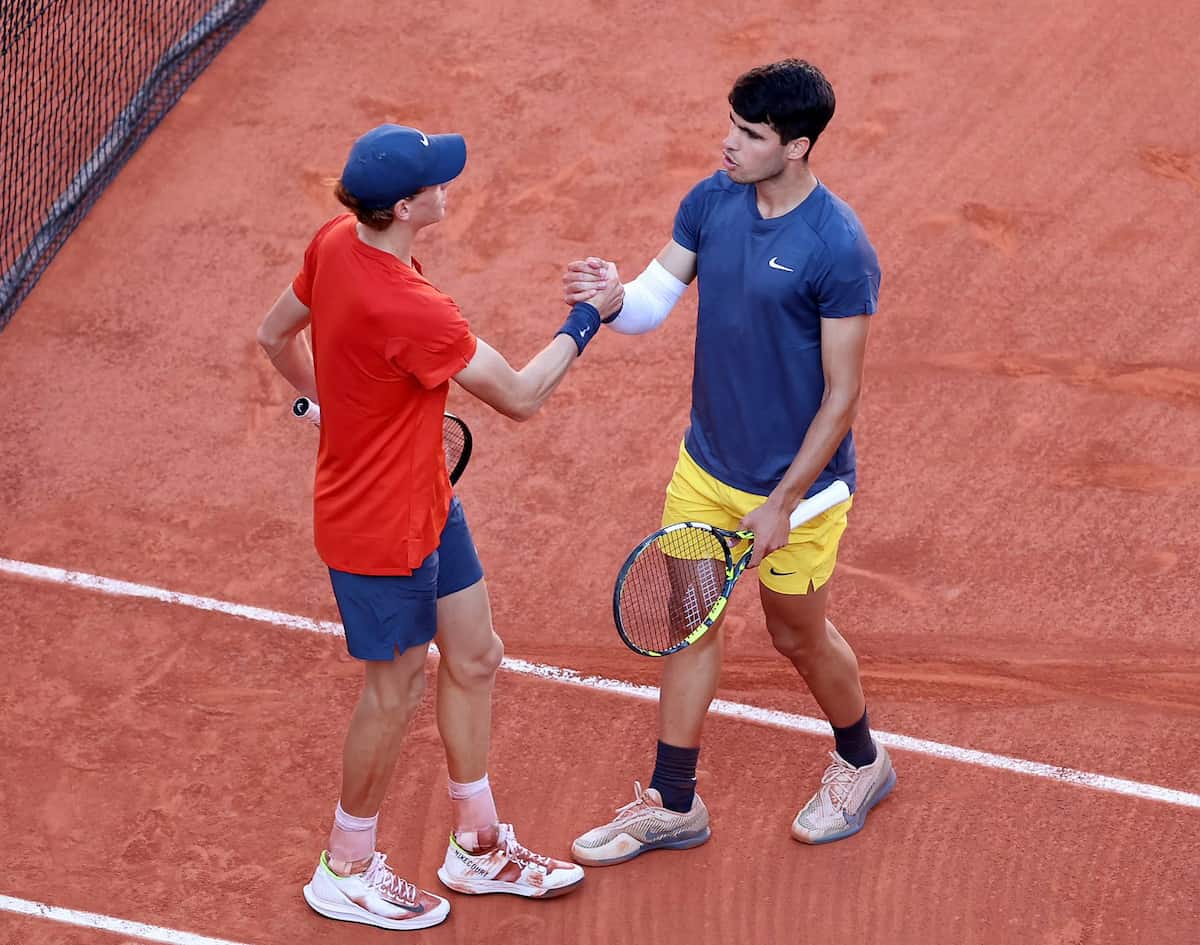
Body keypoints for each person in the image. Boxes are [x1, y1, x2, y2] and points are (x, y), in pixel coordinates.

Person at [257, 123, 622, 931]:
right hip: (376, 527)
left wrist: (330, 411)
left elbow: (274, 334)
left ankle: (477, 842)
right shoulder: (414, 307)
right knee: (391, 692)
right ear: (402, 207)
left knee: (476, 653)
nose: (446, 182)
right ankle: (345, 866)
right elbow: (522, 396)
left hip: (426, 499)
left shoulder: (335, 241)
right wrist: (589, 318)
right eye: (434, 179)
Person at [562, 59, 893, 863]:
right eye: (732, 126)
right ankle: (674, 802)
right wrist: (613, 299)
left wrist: (782, 500)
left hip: (802, 493)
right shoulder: (711, 202)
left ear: (798, 146)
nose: (729, 144)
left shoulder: (838, 248)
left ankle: (863, 759)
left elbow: (841, 397)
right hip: (705, 470)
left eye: (751, 134)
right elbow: (652, 299)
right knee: (689, 624)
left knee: (796, 636)